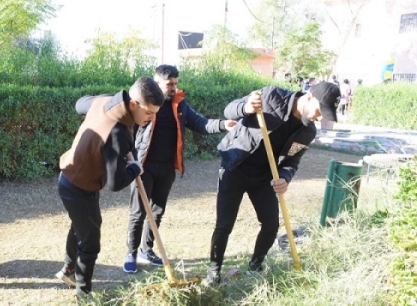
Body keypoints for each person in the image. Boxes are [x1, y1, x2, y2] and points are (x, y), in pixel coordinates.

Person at [203, 82, 341, 285]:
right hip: (235, 166)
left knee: (271, 224)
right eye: (320, 111)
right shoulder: (270, 96)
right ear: (310, 97)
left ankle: (255, 266)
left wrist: (285, 177)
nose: (319, 118)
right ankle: (214, 271)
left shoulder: (307, 132)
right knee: (224, 224)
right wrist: (246, 108)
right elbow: (229, 110)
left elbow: (292, 161)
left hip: (264, 177)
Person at [54, 77, 164, 297]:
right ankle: (83, 294)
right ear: (133, 104)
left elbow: (80, 104)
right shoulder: (118, 133)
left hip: (70, 178)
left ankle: (68, 269)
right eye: (149, 113)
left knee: (82, 225)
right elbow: (115, 183)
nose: (152, 119)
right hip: (78, 187)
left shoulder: (105, 101)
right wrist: (135, 168)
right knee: (90, 242)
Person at [122, 64, 236, 273]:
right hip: (143, 166)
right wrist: (130, 160)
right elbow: (128, 131)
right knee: (138, 212)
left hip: (166, 168)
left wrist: (222, 125)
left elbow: (201, 123)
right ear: (157, 84)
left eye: (175, 83)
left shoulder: (180, 106)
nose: (174, 87)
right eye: (169, 84)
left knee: (156, 211)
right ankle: (131, 252)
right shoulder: (143, 105)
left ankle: (146, 251)